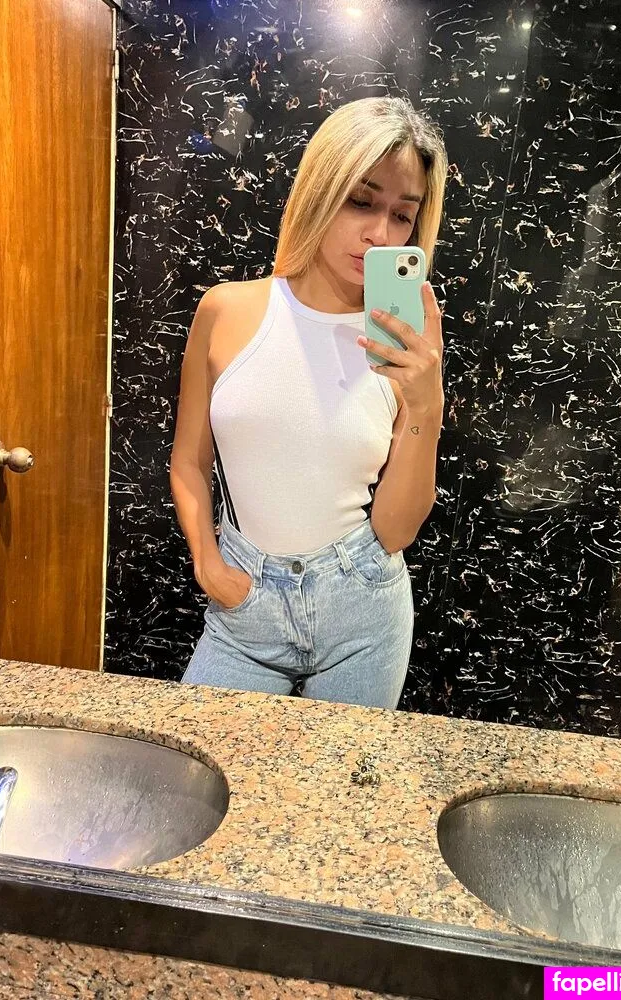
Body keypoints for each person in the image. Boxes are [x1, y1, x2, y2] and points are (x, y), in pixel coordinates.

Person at [170, 95, 448, 709]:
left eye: (403, 216)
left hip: (362, 608)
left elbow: (395, 529)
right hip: (245, 609)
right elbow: (189, 460)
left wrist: (426, 409)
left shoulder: (410, 339)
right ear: (321, 189)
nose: (380, 234)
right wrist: (207, 562)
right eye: (361, 201)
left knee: (339, 775)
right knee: (192, 759)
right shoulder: (227, 311)